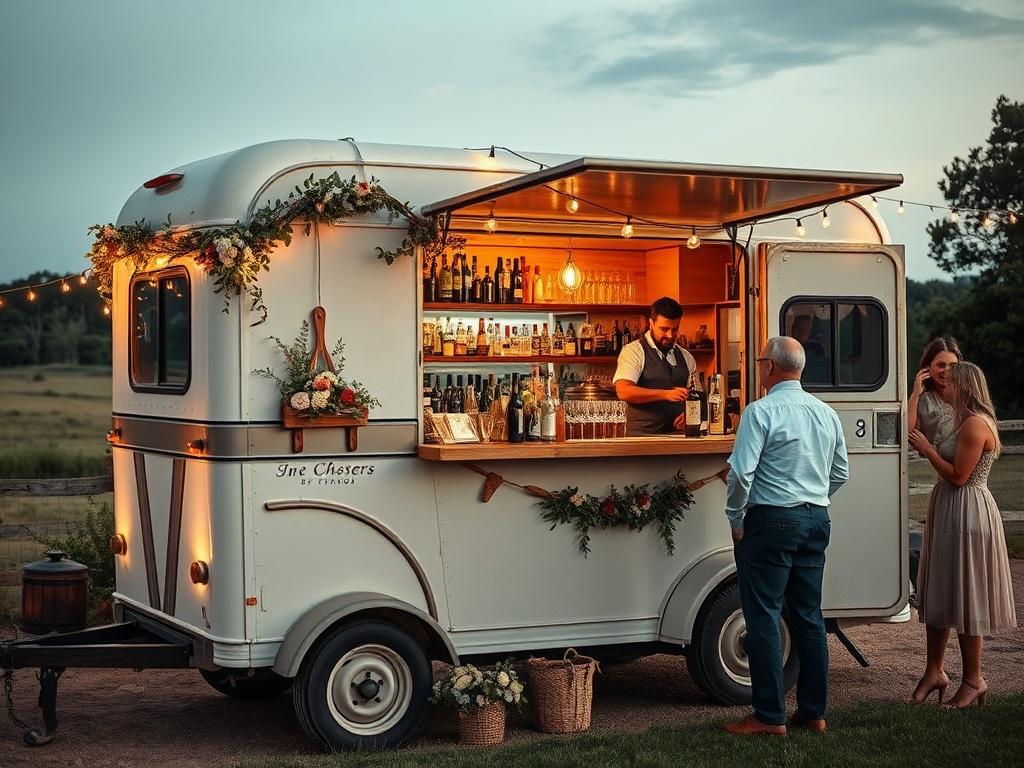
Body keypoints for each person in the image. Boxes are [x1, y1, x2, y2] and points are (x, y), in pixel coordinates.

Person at [722, 337, 849, 736]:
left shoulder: (760, 412)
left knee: (763, 617)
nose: (758, 367)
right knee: (809, 618)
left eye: (760, 362)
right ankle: (813, 713)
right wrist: (814, 498)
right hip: (816, 519)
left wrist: (734, 517)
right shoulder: (825, 413)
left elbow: (741, 473)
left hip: (772, 522)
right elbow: (841, 472)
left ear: (771, 367)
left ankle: (769, 715)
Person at [907, 362, 1016, 708]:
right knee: (945, 589)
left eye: (951, 383)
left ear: (965, 388)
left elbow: (958, 476)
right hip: (951, 510)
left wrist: (926, 449)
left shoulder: (974, 424)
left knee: (968, 595)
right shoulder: (959, 420)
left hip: (967, 511)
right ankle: (935, 672)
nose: (945, 387)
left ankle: (974, 680)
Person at [613, 297, 700, 436]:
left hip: (679, 439)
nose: (670, 335)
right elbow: (623, 391)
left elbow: (698, 396)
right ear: (651, 323)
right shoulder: (634, 351)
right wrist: (665, 394)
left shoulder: (686, 357)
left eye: (675, 329)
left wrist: (689, 413)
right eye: (664, 329)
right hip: (641, 440)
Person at [909, 336, 963, 446]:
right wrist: (915, 395)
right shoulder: (922, 400)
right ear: (928, 366)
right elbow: (907, 434)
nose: (947, 371)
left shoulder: (967, 396)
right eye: (941, 365)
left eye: (953, 366)